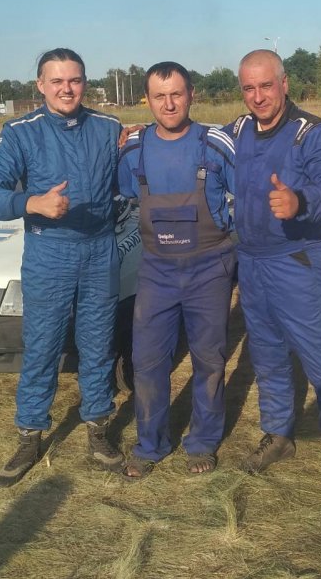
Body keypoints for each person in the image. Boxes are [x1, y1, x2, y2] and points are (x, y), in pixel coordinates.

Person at [0, 48, 125, 487]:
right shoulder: (21, 133)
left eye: (74, 80)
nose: (66, 89)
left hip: (100, 252)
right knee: (42, 348)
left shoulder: (109, 128)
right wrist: (31, 203)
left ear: (85, 82)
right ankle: (30, 434)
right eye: (56, 81)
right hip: (49, 254)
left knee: (98, 345)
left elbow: (134, 174)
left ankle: (98, 428)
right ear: (40, 85)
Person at [228, 49, 321, 502]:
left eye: (266, 85)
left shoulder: (311, 133)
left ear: (284, 84)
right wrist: (140, 136)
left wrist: (300, 201)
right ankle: (279, 435)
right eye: (249, 88)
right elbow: (194, 143)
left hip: (296, 260)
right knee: (267, 355)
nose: (258, 96)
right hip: (252, 262)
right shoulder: (237, 131)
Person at [117, 62, 236, 480]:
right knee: (147, 360)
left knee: (209, 359)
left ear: (191, 95)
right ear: (147, 100)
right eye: (159, 96)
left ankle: (202, 441)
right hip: (157, 270)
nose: (169, 104)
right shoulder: (133, 149)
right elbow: (118, 195)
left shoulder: (216, 144)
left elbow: (249, 194)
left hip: (209, 267)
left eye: (176, 94)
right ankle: (150, 444)